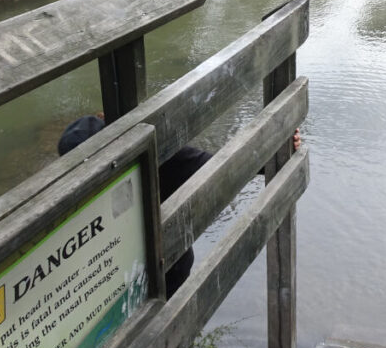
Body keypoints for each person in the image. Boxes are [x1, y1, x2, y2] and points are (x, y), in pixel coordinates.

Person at [57, 116, 301, 297]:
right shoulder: (71, 206)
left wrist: (276, 152)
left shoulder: (156, 158)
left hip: (168, 284)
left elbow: (216, 168)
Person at [57, 114, 210, 296]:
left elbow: (209, 164)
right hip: (118, 279)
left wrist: (251, 158)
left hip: (168, 269)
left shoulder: (155, 155)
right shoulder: (72, 192)